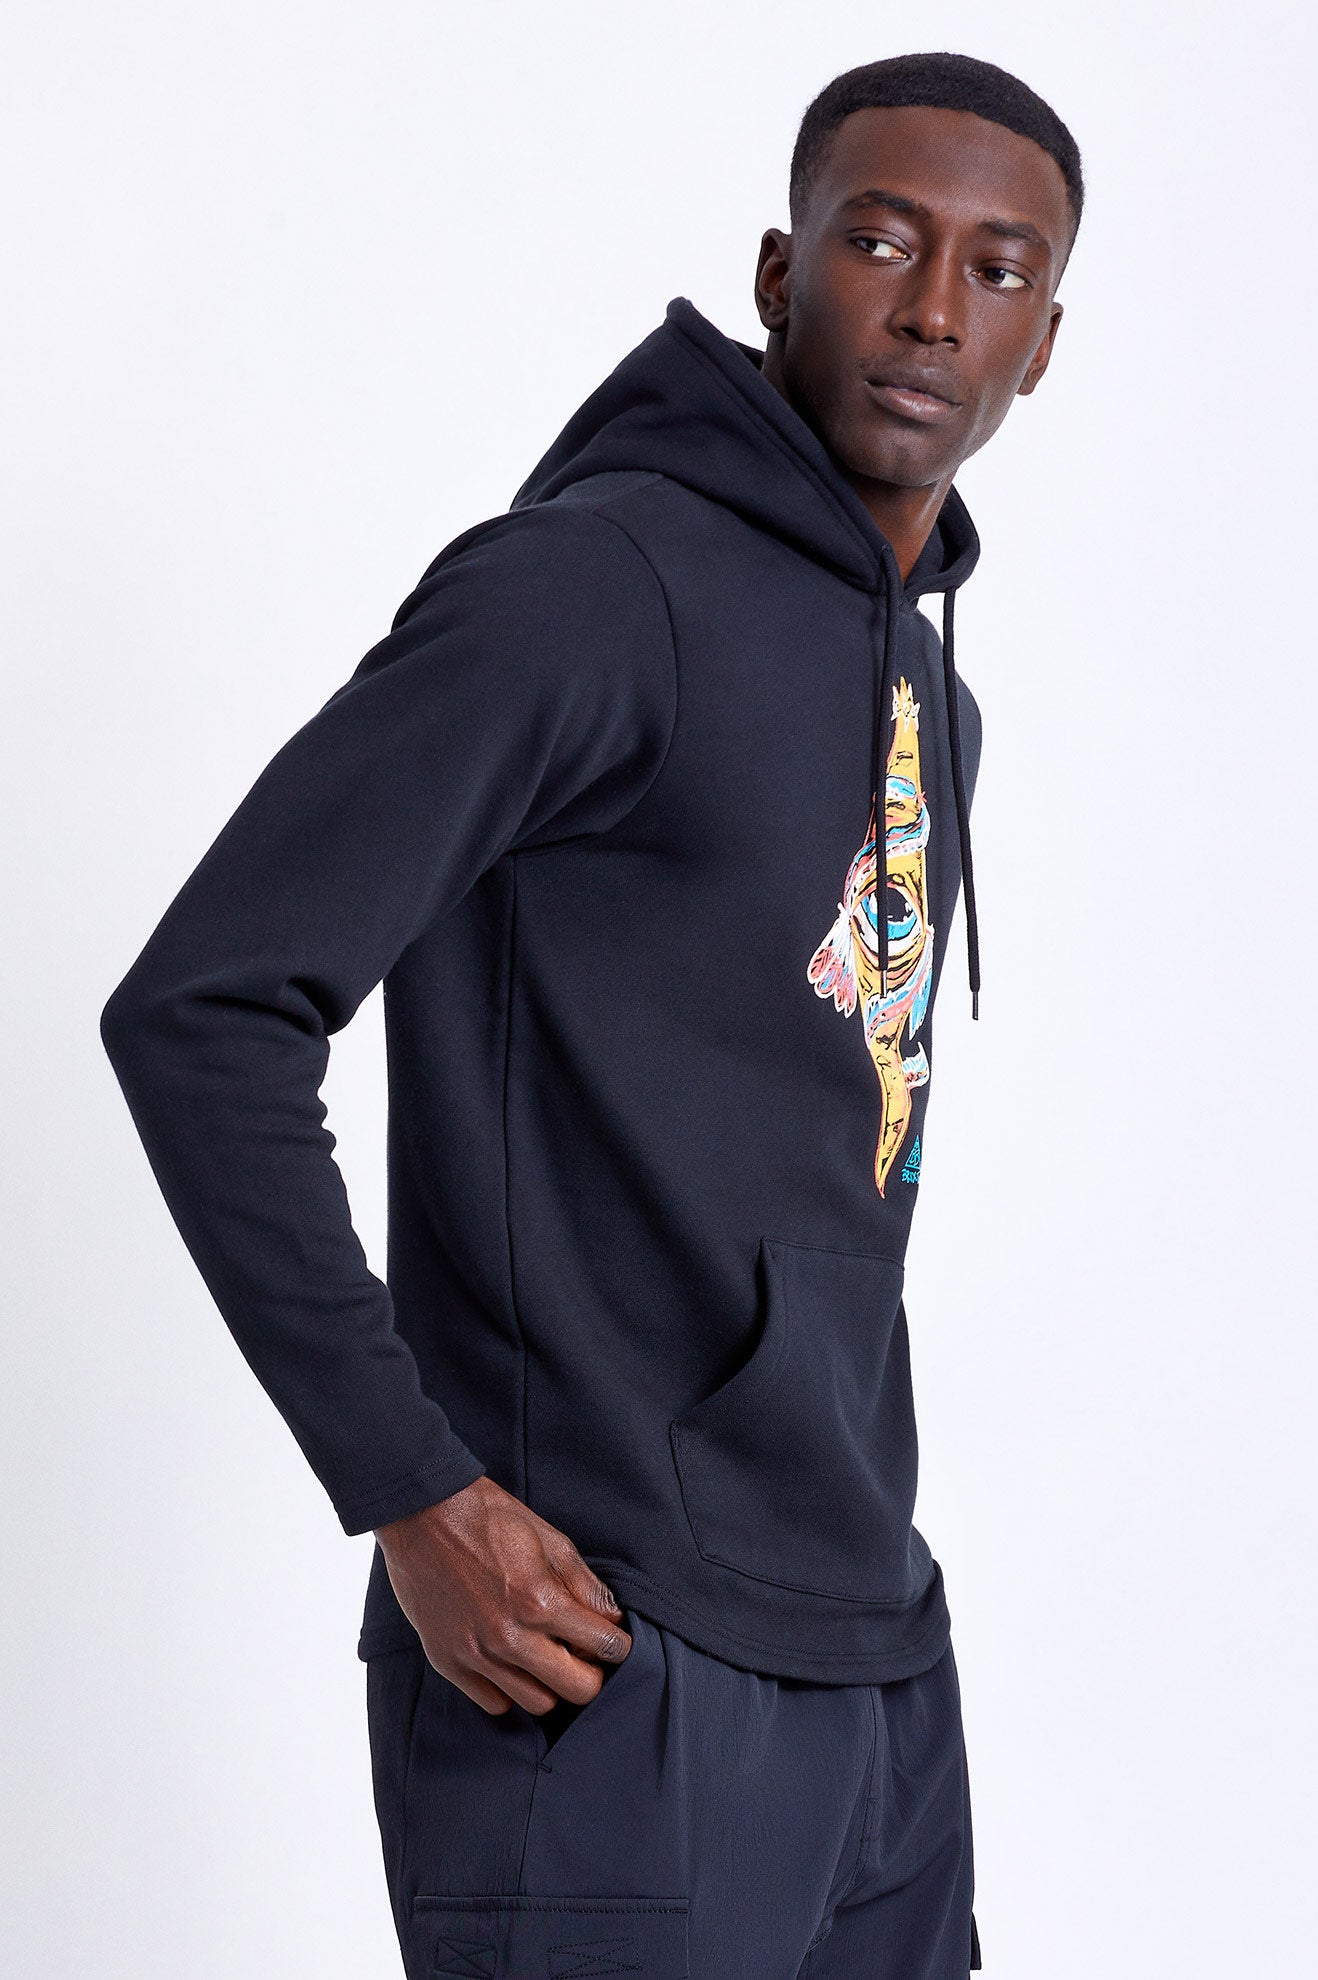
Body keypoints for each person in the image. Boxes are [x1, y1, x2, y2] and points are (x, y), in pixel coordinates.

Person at [100, 48, 1082, 1980]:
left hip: (872, 1652)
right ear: (779, 271)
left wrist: (884, 1613)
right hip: (594, 1648)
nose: (930, 312)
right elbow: (205, 1010)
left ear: (1043, 341)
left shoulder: (928, 703)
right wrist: (412, 1490)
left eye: (996, 270)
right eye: (878, 242)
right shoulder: (593, 589)